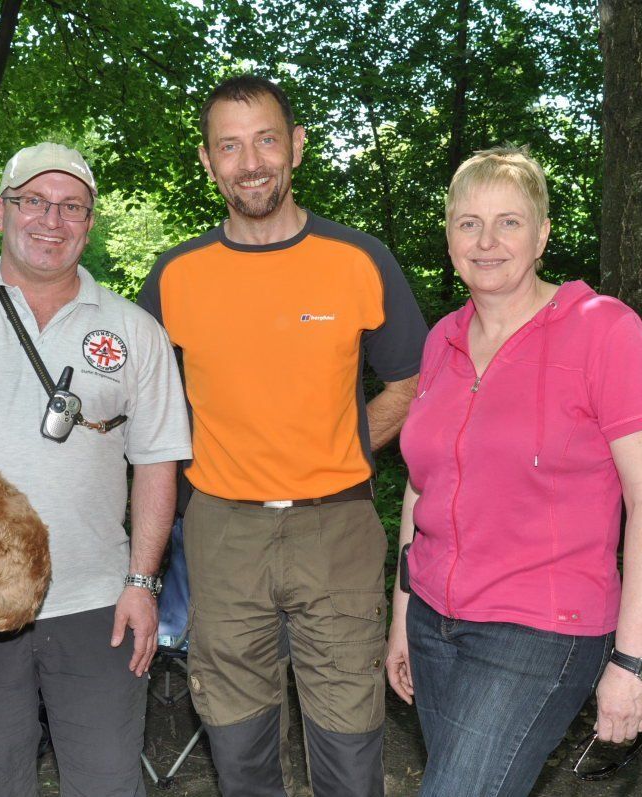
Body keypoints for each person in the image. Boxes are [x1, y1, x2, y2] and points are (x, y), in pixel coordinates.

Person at [139, 74, 429, 797]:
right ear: (207, 161)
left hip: (337, 527)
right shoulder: (175, 276)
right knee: (238, 746)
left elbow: (413, 381)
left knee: (349, 745)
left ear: (296, 146)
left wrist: (346, 445)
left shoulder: (358, 259)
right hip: (220, 532)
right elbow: (145, 409)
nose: (250, 163)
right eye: (229, 146)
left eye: (266, 140)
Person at [385, 145, 642, 795]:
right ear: (449, 238)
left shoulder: (604, 331)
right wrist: (401, 616)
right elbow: (421, 485)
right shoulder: (442, 341)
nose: (487, 241)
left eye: (509, 222)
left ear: (542, 235)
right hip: (433, 622)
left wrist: (635, 662)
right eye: (469, 223)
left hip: (542, 629)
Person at [0, 142, 191, 796]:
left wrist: (142, 582)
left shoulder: (135, 330)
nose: (51, 220)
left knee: (108, 781)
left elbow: (157, 464)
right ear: (0, 210)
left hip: (98, 603)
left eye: (71, 207)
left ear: (90, 223)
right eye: (33, 201)